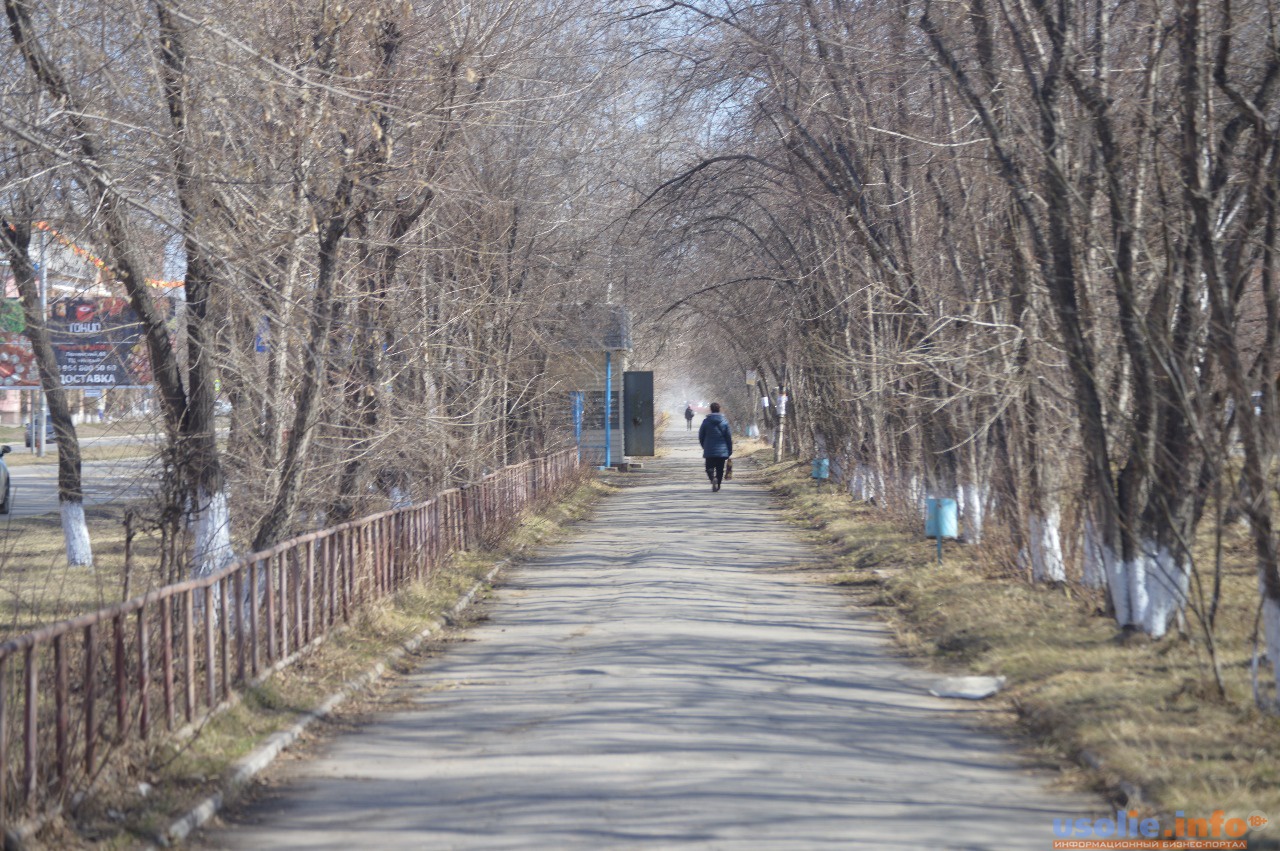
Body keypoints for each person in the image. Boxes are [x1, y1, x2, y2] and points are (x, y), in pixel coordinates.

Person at [698, 402, 733, 491]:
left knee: (709, 468)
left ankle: (713, 478)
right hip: (722, 451)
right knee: (720, 469)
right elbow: (728, 437)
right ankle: (718, 483)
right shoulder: (724, 421)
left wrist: (704, 446)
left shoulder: (706, 421)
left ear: (711, 409)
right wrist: (729, 449)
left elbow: (701, 435)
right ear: (719, 409)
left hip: (709, 449)